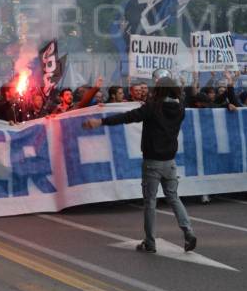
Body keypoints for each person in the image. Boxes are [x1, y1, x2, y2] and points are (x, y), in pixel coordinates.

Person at [83, 75, 196, 254]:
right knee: (173, 197)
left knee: (150, 202)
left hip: (152, 162)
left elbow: (128, 117)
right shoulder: (180, 109)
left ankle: (150, 242)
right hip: (170, 162)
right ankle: (188, 231)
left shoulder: (153, 107)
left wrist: (101, 121)